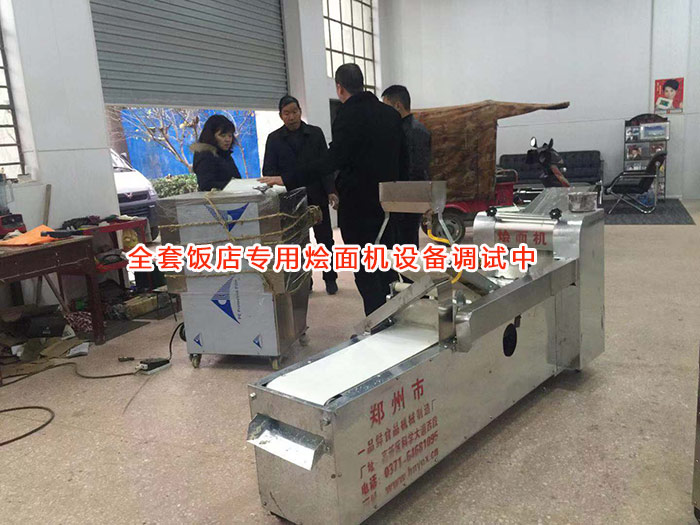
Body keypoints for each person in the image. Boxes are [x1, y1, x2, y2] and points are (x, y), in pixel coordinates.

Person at [263, 64, 406, 316]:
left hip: (358, 206)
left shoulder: (347, 115)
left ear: (339, 88)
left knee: (365, 266)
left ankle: (377, 321)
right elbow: (403, 160)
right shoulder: (391, 115)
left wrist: (287, 178)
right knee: (386, 260)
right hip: (388, 203)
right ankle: (394, 315)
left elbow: (332, 160)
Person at [262, 95, 339, 295]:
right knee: (296, 243)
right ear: (281, 116)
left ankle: (330, 278)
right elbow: (268, 171)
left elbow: (326, 165)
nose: (291, 117)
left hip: (316, 195)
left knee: (325, 240)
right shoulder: (274, 139)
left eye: (294, 112)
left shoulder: (315, 133)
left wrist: (331, 190)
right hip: (289, 201)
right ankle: (304, 282)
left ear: (300, 112)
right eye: (286, 113)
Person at [381, 84, 432, 246]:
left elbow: (417, 168)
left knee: (405, 242)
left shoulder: (412, 131)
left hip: (407, 197)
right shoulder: (406, 128)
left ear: (397, 106)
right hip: (401, 196)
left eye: (386, 107)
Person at [191, 115, 241, 191]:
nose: (227, 140)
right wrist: (233, 185)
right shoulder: (205, 156)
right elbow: (206, 185)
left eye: (230, 136)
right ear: (211, 136)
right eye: (223, 136)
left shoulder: (224, 154)